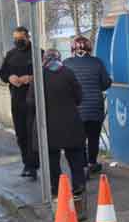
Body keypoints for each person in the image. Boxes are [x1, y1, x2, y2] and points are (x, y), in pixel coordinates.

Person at [27, 49, 87, 196]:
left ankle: (57, 188)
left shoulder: (39, 76)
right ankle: (78, 185)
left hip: (47, 126)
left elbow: (30, 101)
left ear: (44, 60)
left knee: (52, 160)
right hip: (70, 124)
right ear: (59, 58)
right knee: (75, 157)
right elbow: (79, 97)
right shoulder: (68, 73)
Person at [63, 35, 112, 175]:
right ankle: (92, 163)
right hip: (95, 107)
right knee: (93, 137)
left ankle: (82, 165)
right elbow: (105, 83)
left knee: (79, 138)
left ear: (73, 48)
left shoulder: (67, 64)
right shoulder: (97, 63)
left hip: (76, 109)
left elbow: (64, 85)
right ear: (89, 48)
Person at [0, 27, 37, 179]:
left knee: (32, 133)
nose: (17, 42)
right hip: (16, 99)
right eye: (15, 39)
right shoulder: (11, 54)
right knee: (21, 133)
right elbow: (2, 73)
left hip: (33, 99)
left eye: (20, 38)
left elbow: (45, 72)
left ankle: (33, 165)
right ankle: (26, 164)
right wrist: (10, 78)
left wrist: (32, 78)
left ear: (27, 37)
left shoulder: (37, 53)